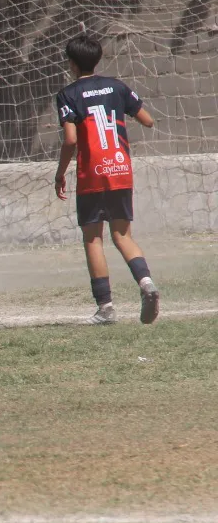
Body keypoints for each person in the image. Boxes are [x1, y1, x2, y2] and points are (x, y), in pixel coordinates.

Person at [55, 33, 160, 325]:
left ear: (72, 64)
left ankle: (106, 308)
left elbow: (70, 140)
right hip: (120, 169)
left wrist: (60, 173)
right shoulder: (117, 86)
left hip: (92, 173)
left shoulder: (68, 94)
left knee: (93, 238)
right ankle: (147, 284)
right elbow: (148, 120)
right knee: (123, 235)